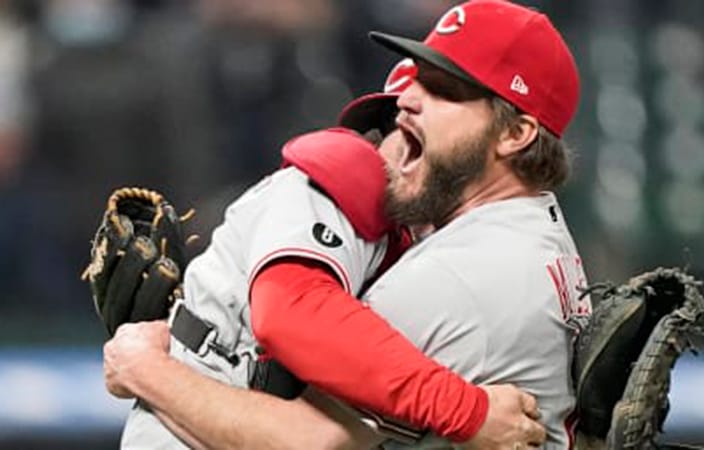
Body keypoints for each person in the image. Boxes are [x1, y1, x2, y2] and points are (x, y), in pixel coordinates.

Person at [108, 0, 590, 448]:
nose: (404, 106)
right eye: (406, 90)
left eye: (444, 89)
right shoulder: (532, 235)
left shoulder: (456, 276)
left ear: (515, 133)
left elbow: (310, 435)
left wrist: (145, 368)